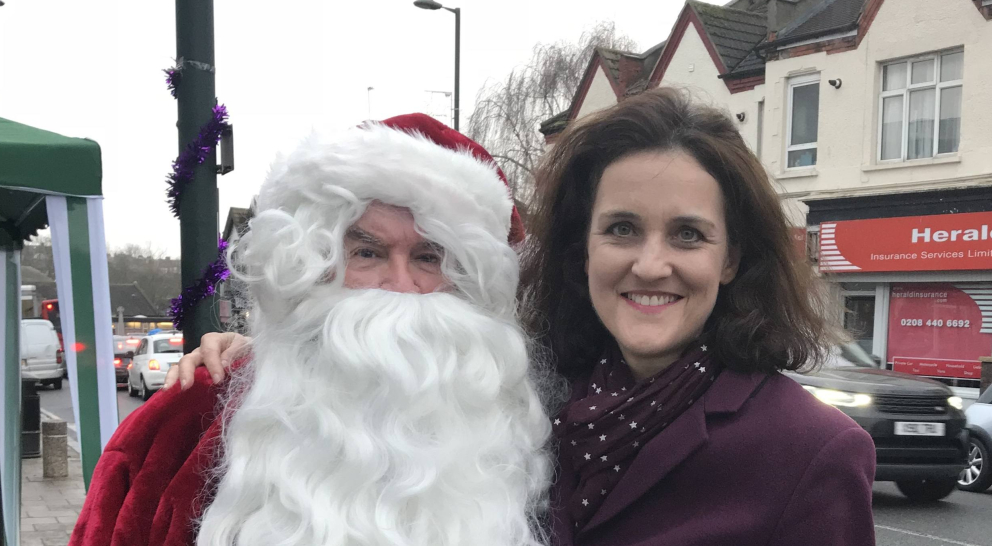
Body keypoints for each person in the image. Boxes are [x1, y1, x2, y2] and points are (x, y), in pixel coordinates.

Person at [174, 89, 877, 545]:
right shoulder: (531, 402)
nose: (652, 264)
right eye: (623, 229)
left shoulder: (808, 452)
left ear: (731, 259)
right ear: (581, 251)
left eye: (688, 235)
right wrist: (262, 347)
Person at [69, 114, 554, 546]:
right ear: (312, 267)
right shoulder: (182, 425)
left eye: (429, 258)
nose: (401, 286)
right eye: (367, 253)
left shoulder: (526, 431)